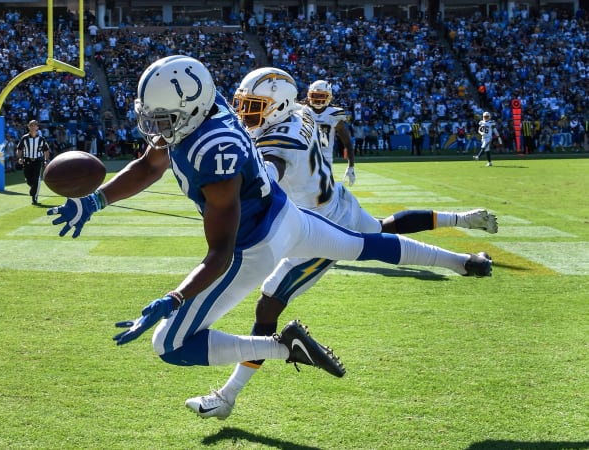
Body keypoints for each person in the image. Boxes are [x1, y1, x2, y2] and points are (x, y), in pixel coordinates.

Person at [46, 57, 492, 409]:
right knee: (367, 244)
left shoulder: (215, 151)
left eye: (164, 119)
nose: (156, 129)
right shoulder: (203, 106)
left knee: (170, 345)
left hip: (254, 246)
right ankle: (463, 262)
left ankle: (284, 349)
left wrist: (174, 297)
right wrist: (96, 199)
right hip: (290, 217)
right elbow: (150, 163)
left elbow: (219, 253)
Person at [185, 67, 494, 419]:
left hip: (319, 227)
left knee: (268, 307)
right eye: (245, 104)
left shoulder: (278, 141)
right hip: (337, 201)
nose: (246, 112)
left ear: (278, 105)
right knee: (382, 230)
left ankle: (228, 397)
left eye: (255, 105)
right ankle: (466, 256)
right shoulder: (299, 111)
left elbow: (271, 170)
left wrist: (233, 197)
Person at [306, 80, 355, 186]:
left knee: (322, 193)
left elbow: (347, 142)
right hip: (303, 157)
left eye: (321, 96)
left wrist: (351, 166)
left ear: (328, 97)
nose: (318, 99)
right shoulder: (301, 111)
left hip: (325, 158)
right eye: (315, 95)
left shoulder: (334, 114)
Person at [16, 119, 51, 205]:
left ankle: (34, 198)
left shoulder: (41, 139)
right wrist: (20, 158)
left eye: (35, 125)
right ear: (28, 127)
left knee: (36, 179)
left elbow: (46, 151)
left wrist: (46, 160)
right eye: (31, 125)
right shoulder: (24, 138)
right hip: (27, 160)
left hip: (38, 161)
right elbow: (19, 149)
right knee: (28, 179)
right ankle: (33, 189)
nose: (33, 127)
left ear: (37, 127)